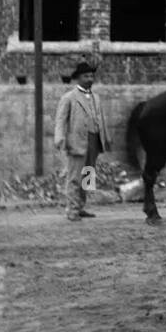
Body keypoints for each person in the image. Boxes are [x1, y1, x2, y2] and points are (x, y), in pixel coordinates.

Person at [54, 60, 111, 221]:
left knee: (88, 175)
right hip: (77, 141)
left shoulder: (96, 98)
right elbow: (60, 120)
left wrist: (105, 138)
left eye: (92, 76)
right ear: (78, 78)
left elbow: (101, 119)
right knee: (74, 177)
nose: (90, 79)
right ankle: (71, 210)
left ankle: (80, 206)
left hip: (94, 140)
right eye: (86, 76)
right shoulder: (69, 97)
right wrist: (59, 137)